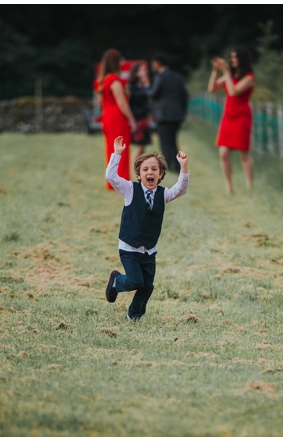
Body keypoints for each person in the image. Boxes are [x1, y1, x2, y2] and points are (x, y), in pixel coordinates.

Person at [103, 136, 190, 320]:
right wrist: (117, 154)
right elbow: (111, 177)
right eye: (145, 169)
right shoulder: (129, 189)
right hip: (129, 248)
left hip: (149, 250)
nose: (149, 172)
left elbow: (180, 189)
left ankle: (133, 316)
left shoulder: (163, 194)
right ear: (139, 174)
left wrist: (183, 167)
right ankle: (117, 281)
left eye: (154, 169)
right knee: (135, 281)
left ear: (160, 174)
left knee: (147, 286)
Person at [208, 47, 255, 194]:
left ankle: (249, 185)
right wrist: (216, 71)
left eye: (235, 57)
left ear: (242, 59)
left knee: (243, 152)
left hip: (241, 116)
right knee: (223, 152)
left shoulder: (249, 77)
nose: (232, 60)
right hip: (228, 116)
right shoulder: (230, 76)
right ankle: (229, 186)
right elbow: (212, 89)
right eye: (231, 57)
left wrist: (227, 73)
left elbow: (234, 91)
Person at [96, 49, 137, 190]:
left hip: (107, 115)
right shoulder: (114, 80)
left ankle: (113, 181)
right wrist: (131, 119)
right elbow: (122, 103)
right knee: (121, 149)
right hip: (117, 117)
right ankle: (121, 180)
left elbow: (100, 101)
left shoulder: (103, 80)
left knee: (111, 149)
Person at [149, 53, 189, 173]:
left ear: (157, 63)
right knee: (173, 140)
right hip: (177, 115)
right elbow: (185, 95)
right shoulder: (177, 77)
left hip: (163, 115)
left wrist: (144, 87)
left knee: (165, 142)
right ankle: (177, 165)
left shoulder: (159, 77)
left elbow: (153, 94)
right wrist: (182, 112)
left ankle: (168, 165)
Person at [128, 61, 153, 151]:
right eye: (142, 70)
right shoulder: (131, 88)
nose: (145, 71)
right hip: (137, 119)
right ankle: (136, 164)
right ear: (136, 73)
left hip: (143, 118)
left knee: (143, 146)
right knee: (139, 145)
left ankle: (140, 164)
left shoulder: (142, 87)